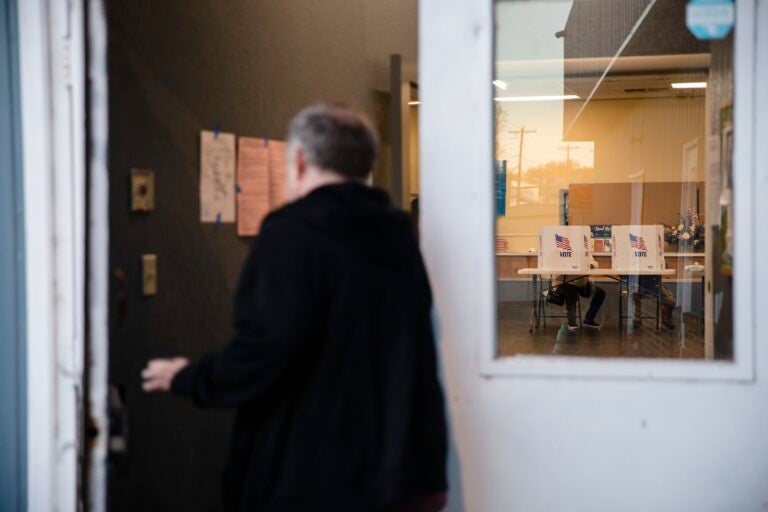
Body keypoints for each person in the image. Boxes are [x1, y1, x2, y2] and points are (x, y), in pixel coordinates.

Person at [141, 104, 448, 512]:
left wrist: (189, 378)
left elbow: (267, 348)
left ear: (300, 162)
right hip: (401, 474)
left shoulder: (291, 233)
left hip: (312, 476)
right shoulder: (399, 236)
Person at [553, 260, 606, 332]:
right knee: (571, 291)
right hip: (564, 283)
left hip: (581, 284)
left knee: (600, 293)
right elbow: (556, 273)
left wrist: (591, 265)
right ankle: (572, 322)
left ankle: (589, 319)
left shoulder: (583, 251)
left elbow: (594, 263)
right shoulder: (562, 252)